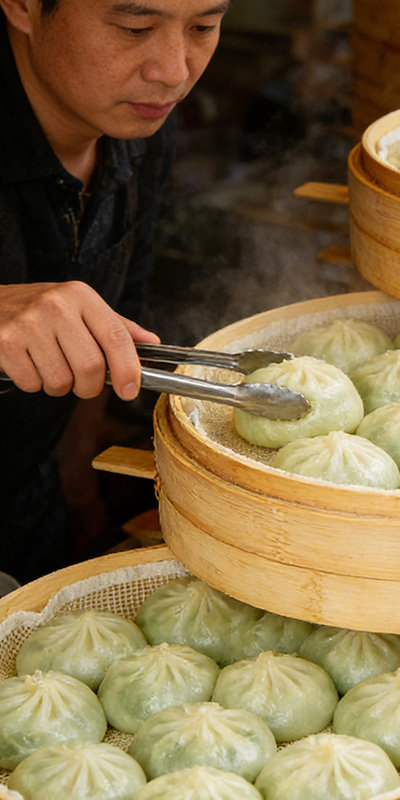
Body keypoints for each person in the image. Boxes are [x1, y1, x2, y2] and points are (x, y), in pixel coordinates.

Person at [0, 0, 229, 582]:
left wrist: (79, 470)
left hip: (29, 491)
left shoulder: (139, 119)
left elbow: (115, 317)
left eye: (203, 26)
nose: (175, 71)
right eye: (135, 28)